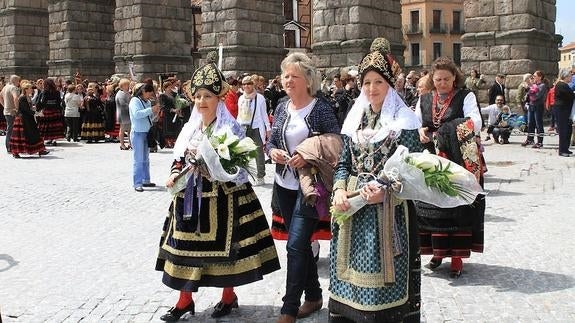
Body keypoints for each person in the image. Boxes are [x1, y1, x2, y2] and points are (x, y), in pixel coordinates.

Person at [157, 62, 280, 321]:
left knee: (229, 249)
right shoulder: (190, 128)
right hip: (190, 195)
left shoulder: (230, 128)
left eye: (207, 96)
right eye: (198, 96)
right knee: (184, 248)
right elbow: (179, 157)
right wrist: (173, 172)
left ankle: (227, 296)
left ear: (218, 99)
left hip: (224, 197)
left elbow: (241, 166)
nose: (202, 101)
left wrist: (217, 168)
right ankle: (184, 301)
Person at [329, 37, 424, 323]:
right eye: (367, 83)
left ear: (389, 85)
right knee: (349, 276)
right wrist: (338, 190)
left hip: (388, 210)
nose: (371, 89)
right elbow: (343, 162)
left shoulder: (404, 121)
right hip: (352, 207)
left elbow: (413, 170)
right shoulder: (355, 119)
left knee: (383, 277)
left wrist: (388, 194)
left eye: (378, 83)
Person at [267, 52, 341, 323]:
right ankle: (313, 296)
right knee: (299, 244)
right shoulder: (282, 106)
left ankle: (289, 308)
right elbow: (272, 141)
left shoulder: (320, 108)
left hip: (310, 188)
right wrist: (273, 151)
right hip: (284, 184)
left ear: (308, 80)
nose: (288, 80)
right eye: (285, 75)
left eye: (293, 76)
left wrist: (309, 154)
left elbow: (335, 143)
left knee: (296, 246)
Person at [415, 56, 485, 278]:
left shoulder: (466, 96)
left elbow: (476, 121)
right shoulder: (424, 99)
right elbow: (415, 123)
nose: (442, 83)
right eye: (438, 79)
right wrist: (421, 132)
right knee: (433, 206)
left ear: (455, 77)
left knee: (457, 208)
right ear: (432, 79)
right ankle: (437, 252)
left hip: (458, 161)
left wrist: (445, 132)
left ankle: (456, 256)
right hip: (432, 160)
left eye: (446, 78)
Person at [237, 75, 271, 186]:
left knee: (258, 153)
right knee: (241, 152)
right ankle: (243, 175)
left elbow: (264, 114)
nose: (246, 86)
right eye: (244, 84)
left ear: (253, 84)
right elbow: (239, 114)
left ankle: (260, 176)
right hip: (243, 127)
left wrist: (268, 128)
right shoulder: (241, 98)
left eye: (249, 83)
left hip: (256, 127)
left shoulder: (260, 98)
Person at [129, 83, 160, 192]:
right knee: (138, 159)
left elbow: (148, 117)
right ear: (143, 92)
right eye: (149, 94)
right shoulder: (134, 101)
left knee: (146, 159)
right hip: (137, 133)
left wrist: (155, 113)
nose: (150, 96)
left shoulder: (146, 102)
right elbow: (137, 114)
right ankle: (137, 183)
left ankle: (146, 180)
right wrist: (151, 110)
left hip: (147, 132)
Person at [8, 80, 49, 158]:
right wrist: (37, 114)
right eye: (30, 88)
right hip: (22, 119)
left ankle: (40, 150)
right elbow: (26, 110)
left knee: (34, 134)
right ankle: (15, 152)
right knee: (22, 136)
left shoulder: (27, 97)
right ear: (26, 89)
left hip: (28, 118)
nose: (32, 89)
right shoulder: (22, 97)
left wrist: (34, 108)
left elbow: (29, 108)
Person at [522, 70, 548, 148]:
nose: (533, 77)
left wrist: (528, 89)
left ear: (539, 77)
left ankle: (540, 142)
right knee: (530, 123)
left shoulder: (542, 86)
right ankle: (530, 139)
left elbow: (537, 96)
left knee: (538, 124)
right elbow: (529, 95)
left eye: (535, 76)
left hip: (538, 106)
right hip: (531, 105)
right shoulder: (533, 85)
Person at [36, 78, 65, 146]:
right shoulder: (57, 92)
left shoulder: (44, 92)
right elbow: (59, 102)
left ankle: (49, 139)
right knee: (54, 125)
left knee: (46, 126)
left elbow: (41, 102)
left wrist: (38, 109)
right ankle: (53, 139)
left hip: (47, 110)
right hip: (55, 111)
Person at [554, 68, 575, 157]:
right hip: (562, 110)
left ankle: (566, 148)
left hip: (565, 110)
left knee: (568, 129)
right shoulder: (561, 85)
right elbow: (570, 95)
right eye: (570, 76)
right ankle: (562, 150)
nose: (571, 78)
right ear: (565, 77)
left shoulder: (564, 85)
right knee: (563, 130)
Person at [0, 75, 20, 153]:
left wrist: (4, 105)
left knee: (9, 129)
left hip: (6, 111)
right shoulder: (13, 88)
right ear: (14, 80)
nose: (19, 82)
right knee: (11, 129)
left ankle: (9, 146)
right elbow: (15, 98)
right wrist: (17, 108)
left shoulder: (5, 87)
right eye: (18, 81)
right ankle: (10, 147)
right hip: (12, 112)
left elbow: (0, 97)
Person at [115, 78, 132, 150]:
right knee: (122, 129)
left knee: (130, 130)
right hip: (123, 114)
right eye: (126, 85)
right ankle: (122, 144)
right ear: (122, 86)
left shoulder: (127, 93)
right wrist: (132, 107)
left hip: (128, 114)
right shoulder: (120, 94)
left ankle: (131, 143)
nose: (128, 86)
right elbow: (123, 104)